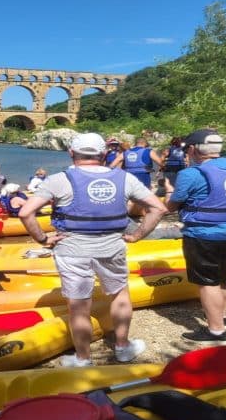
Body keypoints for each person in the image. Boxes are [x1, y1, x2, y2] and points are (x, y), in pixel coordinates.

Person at [19, 132, 167, 366]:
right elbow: (158, 208)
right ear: (105, 154)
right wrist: (137, 236)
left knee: (79, 305)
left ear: (71, 154)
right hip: (112, 245)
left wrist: (42, 239)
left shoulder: (58, 179)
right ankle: (123, 347)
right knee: (120, 294)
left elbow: (25, 212)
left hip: (72, 248)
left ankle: (83, 359)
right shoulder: (125, 178)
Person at [163, 129, 226, 344]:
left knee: (208, 283)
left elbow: (172, 206)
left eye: (187, 149)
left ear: (193, 149)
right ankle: (223, 317)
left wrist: (168, 190)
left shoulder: (191, 174)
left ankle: (217, 332)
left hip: (203, 235)